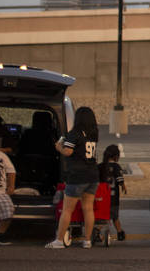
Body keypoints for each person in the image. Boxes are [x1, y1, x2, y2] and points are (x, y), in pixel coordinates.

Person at [46, 106, 99, 249]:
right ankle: (87, 241)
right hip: (93, 175)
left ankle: (58, 241)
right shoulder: (93, 133)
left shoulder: (74, 133)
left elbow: (68, 151)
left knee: (67, 209)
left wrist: (58, 148)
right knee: (88, 208)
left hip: (77, 176)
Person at [99, 144, 127, 241]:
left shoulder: (100, 166)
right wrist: (123, 186)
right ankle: (120, 232)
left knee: (100, 217)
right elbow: (120, 180)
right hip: (113, 198)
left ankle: (97, 232)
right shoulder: (116, 167)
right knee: (115, 217)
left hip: (101, 198)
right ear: (116, 156)